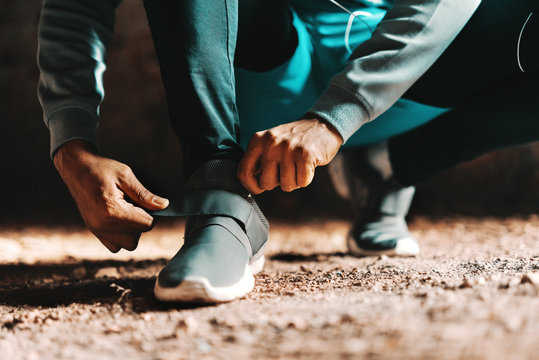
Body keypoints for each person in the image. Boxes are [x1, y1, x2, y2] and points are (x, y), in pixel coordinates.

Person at [37, 0, 538, 303]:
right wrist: (72, 146)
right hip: (269, 71)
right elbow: (77, 6)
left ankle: (388, 166)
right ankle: (222, 196)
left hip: (406, 83)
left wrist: (336, 116)